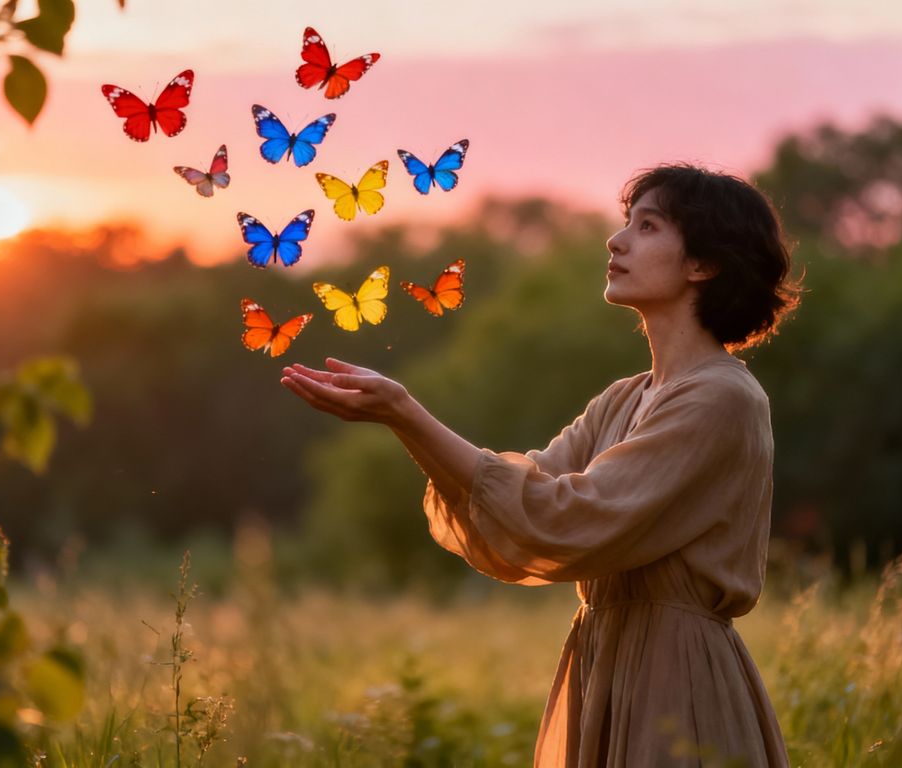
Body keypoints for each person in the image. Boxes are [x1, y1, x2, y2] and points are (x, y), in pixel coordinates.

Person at [281, 163, 799, 767]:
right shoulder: (624, 398)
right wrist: (400, 420)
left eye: (648, 226)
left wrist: (406, 413)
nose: (616, 241)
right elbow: (520, 503)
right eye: (627, 223)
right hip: (604, 665)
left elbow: (564, 518)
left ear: (703, 264)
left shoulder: (722, 398)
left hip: (676, 681)